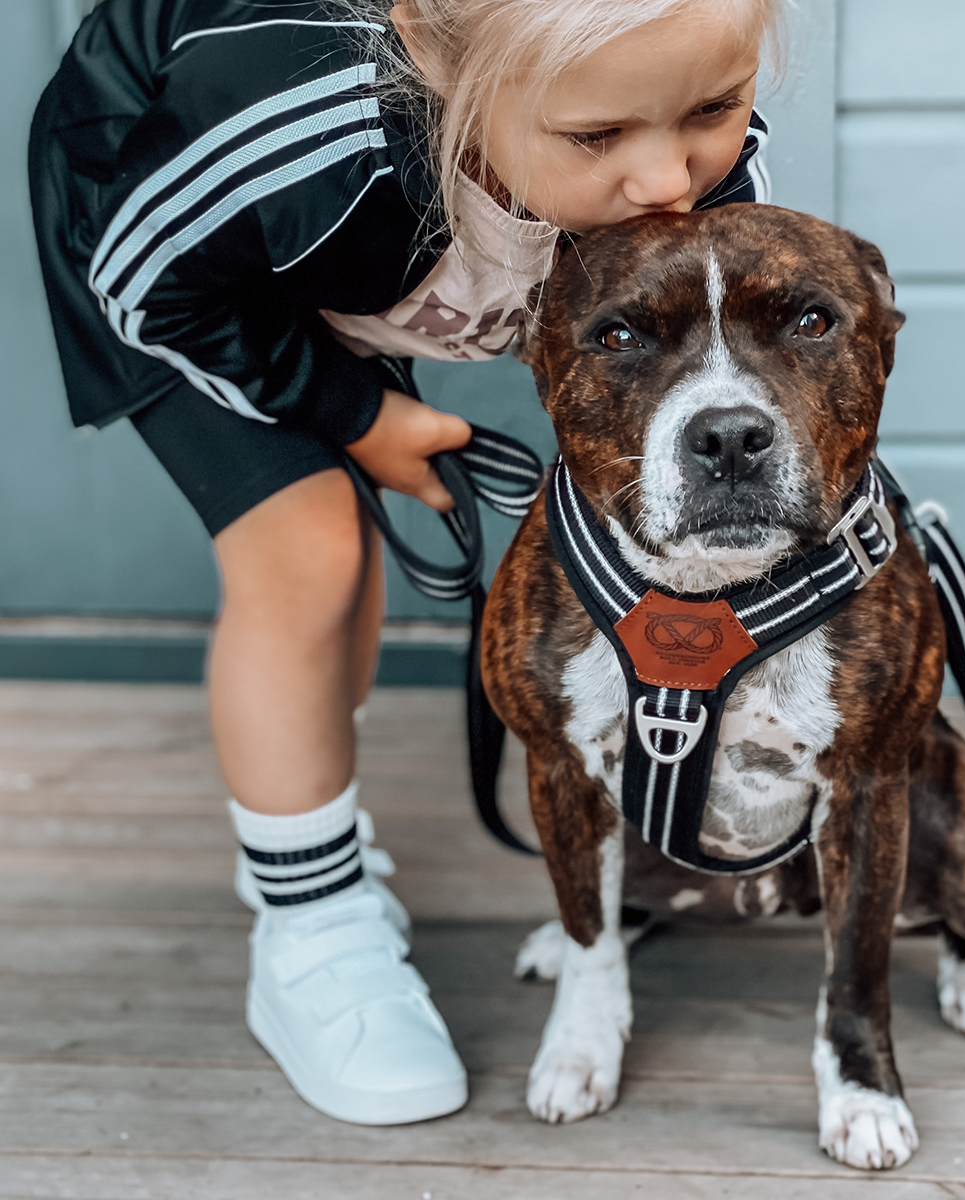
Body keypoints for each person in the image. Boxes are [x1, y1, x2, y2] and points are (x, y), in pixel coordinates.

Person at [29, 0, 783, 1126]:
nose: (669, 181)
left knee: (346, 559)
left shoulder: (673, 152)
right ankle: (312, 926)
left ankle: (312, 820)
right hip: (174, 249)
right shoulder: (314, 135)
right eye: (598, 138)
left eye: (713, 111)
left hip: (332, 229)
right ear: (442, 58)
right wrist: (355, 414)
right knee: (310, 548)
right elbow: (149, 279)